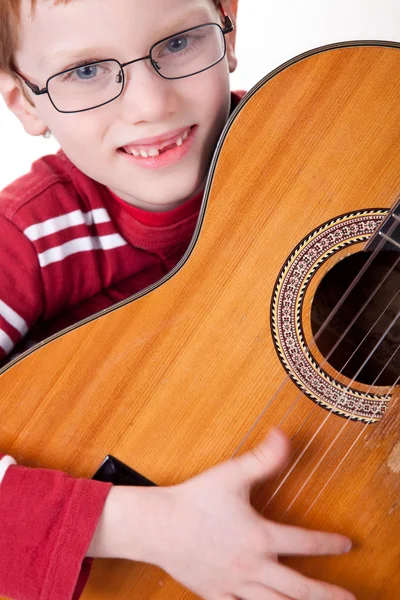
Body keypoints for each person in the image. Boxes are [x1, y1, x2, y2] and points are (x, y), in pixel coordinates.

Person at [0, 1, 355, 599]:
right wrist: (148, 529)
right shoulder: (27, 239)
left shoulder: (336, 144)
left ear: (230, 29)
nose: (150, 105)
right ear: (26, 103)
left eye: (179, 42)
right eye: (85, 71)